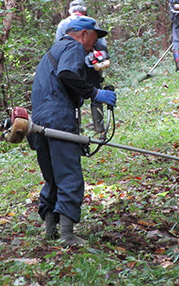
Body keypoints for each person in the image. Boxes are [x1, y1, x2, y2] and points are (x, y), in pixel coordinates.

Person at [29, 17, 117, 246]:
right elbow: (67, 74)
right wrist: (96, 94)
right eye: (94, 39)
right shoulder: (73, 46)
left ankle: (50, 230)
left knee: (52, 177)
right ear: (83, 34)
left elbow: (64, 78)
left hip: (37, 120)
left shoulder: (53, 51)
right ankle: (67, 235)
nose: (94, 45)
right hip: (59, 118)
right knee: (69, 174)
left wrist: (91, 73)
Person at [56, 0, 108, 133]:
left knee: (73, 94)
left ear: (70, 11)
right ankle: (99, 126)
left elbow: (58, 46)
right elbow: (101, 46)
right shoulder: (91, 21)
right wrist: (103, 58)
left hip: (71, 65)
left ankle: (76, 127)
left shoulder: (63, 24)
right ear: (84, 10)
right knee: (96, 93)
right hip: (92, 64)